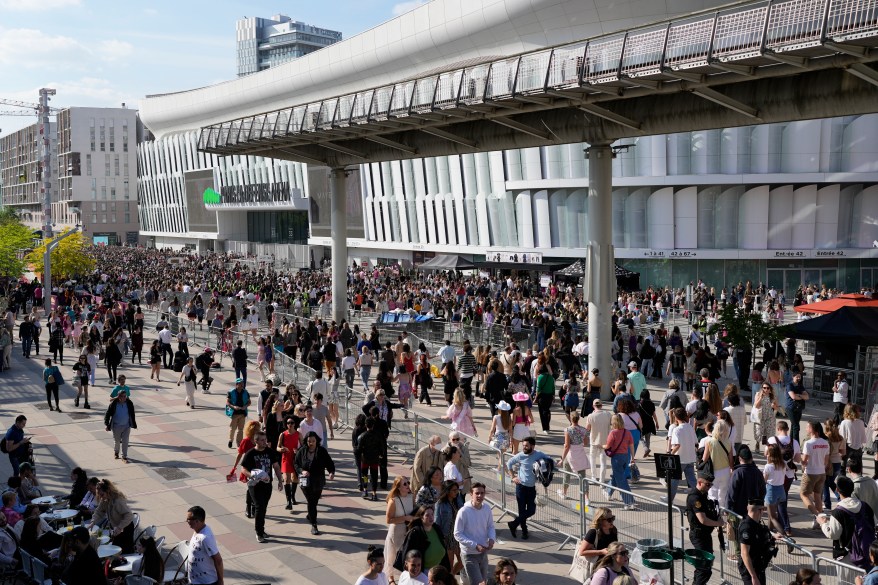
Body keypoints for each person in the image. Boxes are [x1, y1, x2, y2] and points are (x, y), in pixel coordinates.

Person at [818, 475, 876, 570]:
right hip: (866, 552)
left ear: (837, 490)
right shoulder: (865, 506)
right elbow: (874, 523)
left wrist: (823, 523)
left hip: (845, 556)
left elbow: (833, 534)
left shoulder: (838, 512)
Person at [725, 445, 766, 562]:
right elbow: (763, 490)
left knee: (738, 533)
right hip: (754, 510)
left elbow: (731, 493)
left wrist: (728, 510)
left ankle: (740, 555)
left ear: (740, 458)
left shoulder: (738, 473)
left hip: (738, 510)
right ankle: (750, 553)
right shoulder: (757, 472)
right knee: (752, 532)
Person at [240, 430, 282, 543]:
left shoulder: (270, 452)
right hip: (255, 486)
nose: (265, 442)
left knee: (263, 508)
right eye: (262, 440)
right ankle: (259, 533)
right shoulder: (250, 453)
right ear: (256, 441)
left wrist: (280, 480)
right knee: (259, 507)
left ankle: (262, 530)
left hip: (267, 485)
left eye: (265, 440)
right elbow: (243, 469)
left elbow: (276, 466)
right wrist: (252, 475)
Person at [505, 436, 550, 540]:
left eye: (526, 446)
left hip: (531, 488)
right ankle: (524, 531)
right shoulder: (521, 455)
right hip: (520, 487)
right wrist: (513, 477)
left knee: (531, 511)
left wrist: (556, 464)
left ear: (532, 446)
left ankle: (514, 524)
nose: (524, 448)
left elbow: (549, 460)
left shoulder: (539, 454)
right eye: (523, 445)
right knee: (522, 511)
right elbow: (509, 463)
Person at [453, 482, 496, 585]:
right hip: (469, 554)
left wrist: (491, 539)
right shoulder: (463, 511)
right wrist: (474, 545)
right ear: (471, 494)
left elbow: (490, 526)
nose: (480, 496)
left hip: (483, 553)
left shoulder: (487, 509)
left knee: (483, 581)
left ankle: (463, 579)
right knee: (478, 583)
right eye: (477, 493)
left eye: (482, 493)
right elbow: (457, 534)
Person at [686, 471, 724, 585]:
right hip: (698, 536)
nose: (709, 487)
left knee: (704, 567)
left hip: (705, 535)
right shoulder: (695, 498)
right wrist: (718, 523)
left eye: (711, 485)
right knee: (704, 568)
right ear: (699, 482)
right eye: (707, 484)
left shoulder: (703, 495)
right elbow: (702, 519)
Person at [294, 431, 336, 535]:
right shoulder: (302, 451)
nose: (311, 443)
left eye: (313, 441)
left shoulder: (321, 451)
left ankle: (310, 514)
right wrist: (301, 471)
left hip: (318, 480)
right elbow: (296, 463)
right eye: (309, 441)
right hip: (306, 481)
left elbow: (329, 463)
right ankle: (314, 524)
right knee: (311, 501)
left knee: (315, 500)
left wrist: (331, 472)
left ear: (317, 441)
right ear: (306, 441)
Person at [738, 499, 783, 585]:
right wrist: (753, 576)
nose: (764, 512)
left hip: (758, 566)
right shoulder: (747, 528)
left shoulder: (756, 523)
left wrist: (773, 537)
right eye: (763, 510)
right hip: (750, 569)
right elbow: (744, 554)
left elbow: (759, 538)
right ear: (760, 510)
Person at [89, 479, 135, 553]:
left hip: (125, 527)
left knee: (124, 551)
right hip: (117, 528)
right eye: (100, 495)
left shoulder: (118, 501)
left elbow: (129, 515)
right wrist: (93, 522)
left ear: (108, 491)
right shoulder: (105, 500)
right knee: (116, 550)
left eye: (102, 494)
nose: (101, 497)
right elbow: (99, 511)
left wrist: (120, 527)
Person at [385, 476, 416, 581]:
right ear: (398, 487)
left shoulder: (411, 497)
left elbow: (414, 511)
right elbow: (389, 520)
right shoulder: (393, 501)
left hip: (408, 529)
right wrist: (405, 518)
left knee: (406, 554)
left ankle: (405, 576)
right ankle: (391, 579)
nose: (408, 485)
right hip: (397, 530)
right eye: (405, 484)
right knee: (392, 555)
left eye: (408, 482)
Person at [401, 506, 450, 574]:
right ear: (421, 517)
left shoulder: (437, 528)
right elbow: (406, 555)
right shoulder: (415, 533)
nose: (431, 517)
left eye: (432, 514)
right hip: (422, 572)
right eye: (427, 515)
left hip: (438, 569)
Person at [801, 420, 830, 529]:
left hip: (810, 472)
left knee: (803, 494)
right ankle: (819, 520)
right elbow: (826, 461)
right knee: (817, 495)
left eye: (807, 427)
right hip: (821, 472)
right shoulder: (825, 442)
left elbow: (804, 461)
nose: (806, 429)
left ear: (812, 429)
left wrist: (800, 461)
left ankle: (818, 516)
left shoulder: (808, 443)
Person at [186, 505, 224, 585]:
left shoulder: (205, 538)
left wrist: (220, 581)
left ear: (197, 521)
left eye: (189, 519)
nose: (187, 521)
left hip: (206, 582)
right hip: (195, 580)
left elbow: (218, 560)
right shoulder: (197, 530)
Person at [603, 414, 635, 510]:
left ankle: (629, 502)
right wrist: (633, 457)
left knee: (621, 480)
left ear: (613, 422)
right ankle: (608, 492)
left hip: (616, 458)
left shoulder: (613, 433)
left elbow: (608, 446)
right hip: (625, 456)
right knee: (617, 476)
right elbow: (631, 445)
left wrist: (601, 446)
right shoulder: (627, 432)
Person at [575, 507, 619, 572]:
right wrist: (601, 552)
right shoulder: (593, 532)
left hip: (610, 565)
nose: (612, 521)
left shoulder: (613, 530)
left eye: (613, 518)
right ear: (601, 520)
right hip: (597, 567)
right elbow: (582, 552)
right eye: (609, 519)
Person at [435, 480, 464, 574]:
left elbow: (463, 512)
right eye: (454, 490)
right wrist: (439, 538)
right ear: (447, 491)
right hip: (447, 536)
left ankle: (452, 575)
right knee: (449, 564)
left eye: (457, 490)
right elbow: (437, 522)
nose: (456, 492)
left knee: (463, 561)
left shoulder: (458, 499)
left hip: (458, 535)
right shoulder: (440, 504)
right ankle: (451, 578)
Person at [104, 390, 137, 463]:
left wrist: (133, 424)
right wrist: (107, 424)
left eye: (125, 396)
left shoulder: (129, 403)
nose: (124, 398)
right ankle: (116, 452)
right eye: (122, 396)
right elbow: (108, 414)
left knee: (125, 441)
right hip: (116, 426)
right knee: (117, 441)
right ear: (118, 397)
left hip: (126, 426)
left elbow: (132, 414)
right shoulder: (113, 404)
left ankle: (124, 456)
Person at [277, 417, 301, 511]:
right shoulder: (283, 434)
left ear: (295, 424)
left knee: (294, 479)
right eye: (288, 423)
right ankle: (288, 502)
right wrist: (281, 449)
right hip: (286, 458)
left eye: (292, 422)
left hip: (295, 459)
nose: (290, 424)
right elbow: (277, 447)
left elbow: (303, 446)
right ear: (286, 424)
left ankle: (293, 496)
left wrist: (298, 451)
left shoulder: (298, 434)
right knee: (286, 479)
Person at [586, 400, 612, 484]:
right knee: (603, 461)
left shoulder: (591, 416)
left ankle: (594, 477)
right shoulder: (607, 414)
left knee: (592, 459)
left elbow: (588, 428)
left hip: (594, 441)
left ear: (593, 406)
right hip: (605, 441)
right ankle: (602, 479)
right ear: (601, 405)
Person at [840, 404, 867, 473]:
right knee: (858, 467)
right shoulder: (861, 422)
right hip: (858, 447)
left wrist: (841, 450)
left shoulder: (844, 422)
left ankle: (843, 481)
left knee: (843, 467)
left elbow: (842, 437)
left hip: (847, 447)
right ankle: (860, 481)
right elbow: (863, 437)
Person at [849, 459, 878, 524]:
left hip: (863, 524)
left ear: (849, 470)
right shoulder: (872, 482)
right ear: (861, 469)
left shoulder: (853, 486)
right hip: (875, 520)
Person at [226, 378, 251, 449]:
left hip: (242, 413)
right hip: (234, 413)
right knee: (233, 428)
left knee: (240, 429)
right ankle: (231, 440)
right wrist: (233, 407)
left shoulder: (245, 392)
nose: (241, 385)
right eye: (240, 384)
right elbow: (227, 402)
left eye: (242, 383)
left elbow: (249, 402)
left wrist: (245, 406)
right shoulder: (231, 392)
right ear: (236, 385)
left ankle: (239, 443)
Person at [786, 373, 809, 445]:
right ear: (793, 376)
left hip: (798, 408)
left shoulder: (800, 386)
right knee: (796, 426)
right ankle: (796, 444)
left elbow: (807, 397)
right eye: (797, 377)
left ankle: (791, 443)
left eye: (800, 377)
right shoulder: (790, 385)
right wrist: (801, 396)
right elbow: (793, 396)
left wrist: (799, 395)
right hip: (791, 408)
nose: (799, 378)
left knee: (794, 425)